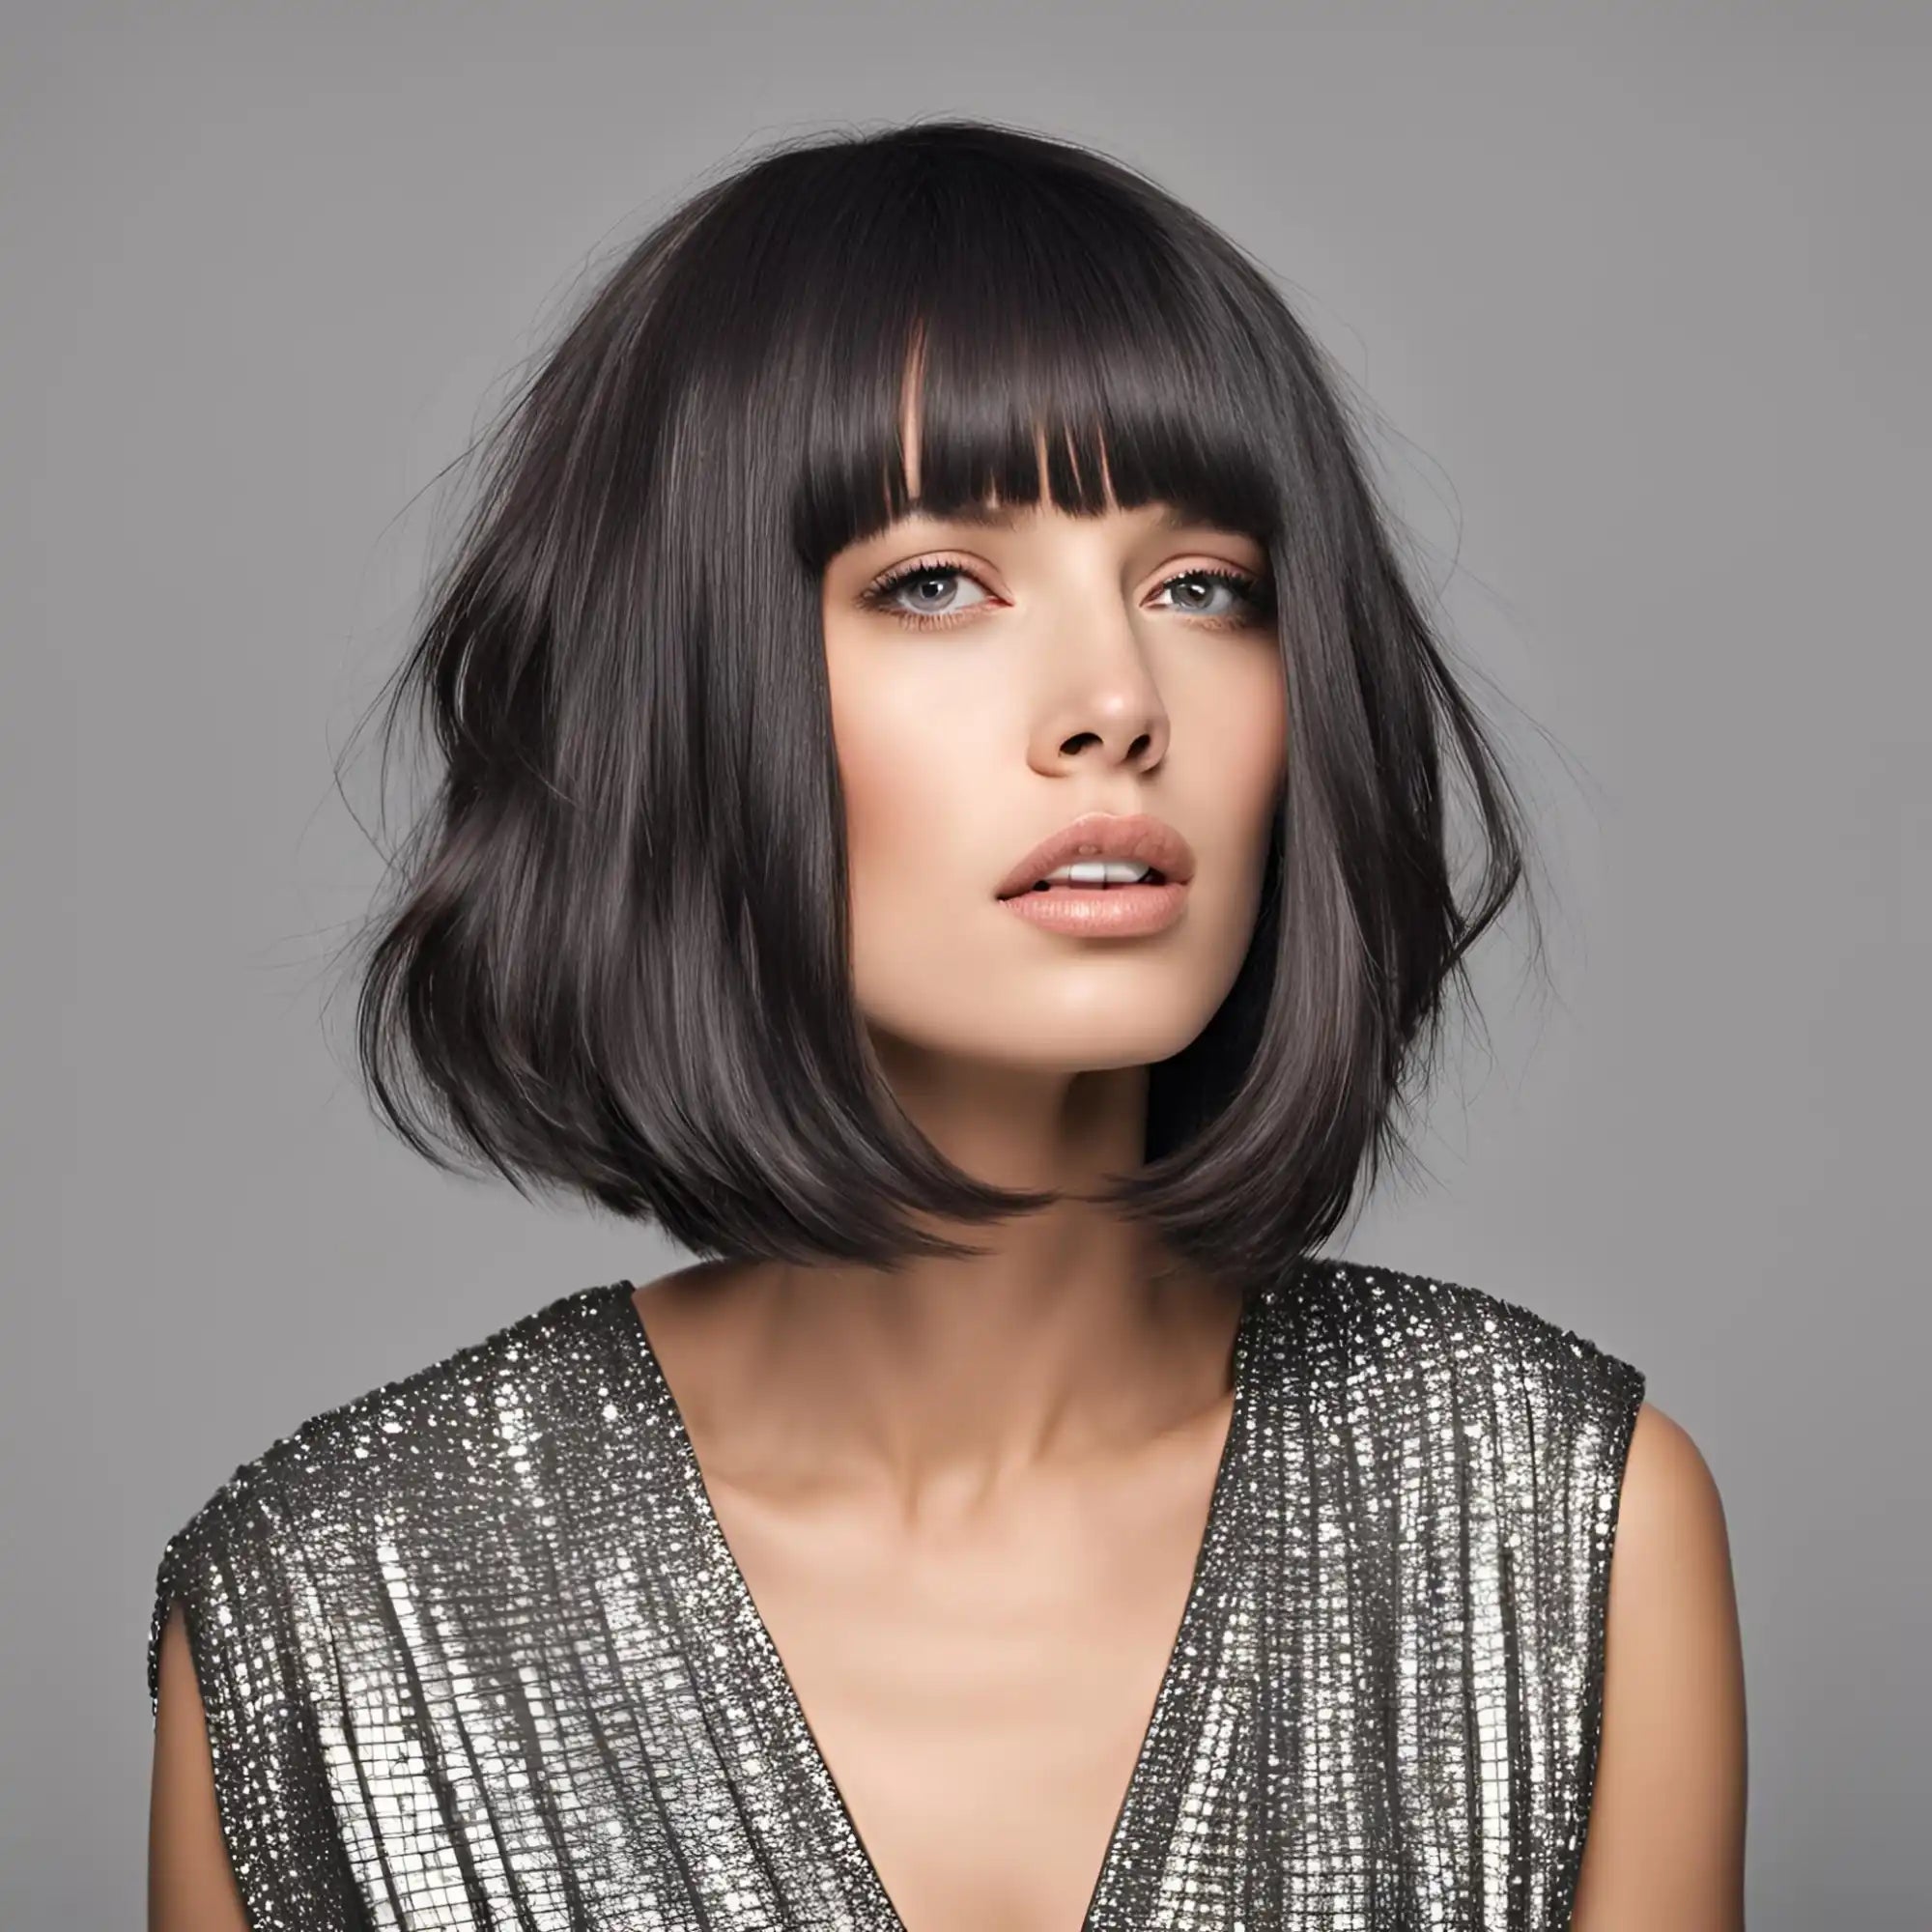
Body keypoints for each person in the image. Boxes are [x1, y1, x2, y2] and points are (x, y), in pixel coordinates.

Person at [147, 118, 1747, 1931]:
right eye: (937, 582)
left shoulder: (1552, 1525)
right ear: (683, 692)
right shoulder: (334, 1612)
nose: (1116, 703)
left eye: (1200, 586)